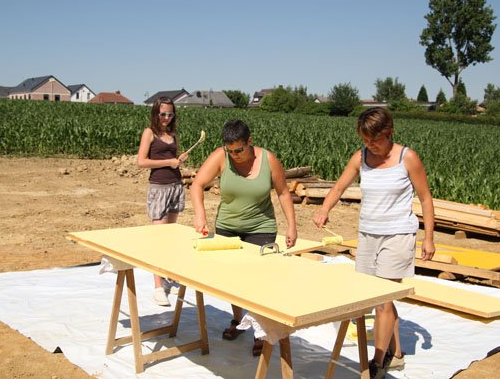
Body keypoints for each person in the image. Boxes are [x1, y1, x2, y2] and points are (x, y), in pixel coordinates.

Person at [312, 107, 435, 379]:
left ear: (389, 132)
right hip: (368, 234)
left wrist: (429, 238)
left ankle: (377, 363)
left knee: (382, 300)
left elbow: (425, 198)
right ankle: (397, 353)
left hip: (398, 235)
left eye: (375, 140)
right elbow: (339, 187)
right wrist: (325, 209)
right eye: (365, 140)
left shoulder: (407, 158)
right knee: (376, 296)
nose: (370, 145)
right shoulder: (361, 157)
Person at [190, 119, 297, 356]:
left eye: (239, 150)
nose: (234, 155)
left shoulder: (268, 160)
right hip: (227, 227)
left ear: (250, 142)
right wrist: (200, 215)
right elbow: (197, 185)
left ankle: (260, 331)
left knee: (258, 281)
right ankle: (238, 320)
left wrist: (292, 226)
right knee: (234, 279)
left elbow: (283, 192)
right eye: (230, 151)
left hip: (261, 227)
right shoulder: (220, 157)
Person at [137, 96, 188, 307]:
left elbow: (173, 161)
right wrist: (169, 161)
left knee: (170, 236)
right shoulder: (149, 133)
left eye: (170, 114)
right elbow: (141, 161)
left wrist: (179, 160)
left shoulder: (173, 135)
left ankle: (168, 277)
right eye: (163, 114)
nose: (167, 118)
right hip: (158, 188)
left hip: (175, 186)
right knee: (159, 239)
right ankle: (158, 286)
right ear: (156, 113)